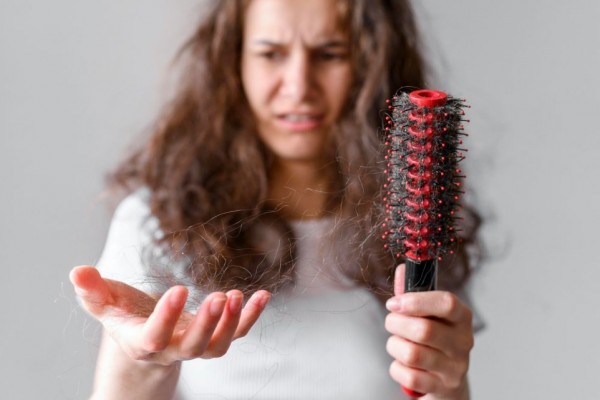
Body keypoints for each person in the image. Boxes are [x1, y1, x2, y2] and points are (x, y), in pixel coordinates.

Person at [70, 0, 480, 399]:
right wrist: (144, 358)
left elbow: (429, 385)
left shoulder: (419, 224)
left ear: (372, 64)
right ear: (235, 62)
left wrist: (448, 388)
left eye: (330, 53)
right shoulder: (156, 222)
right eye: (270, 54)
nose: (299, 86)